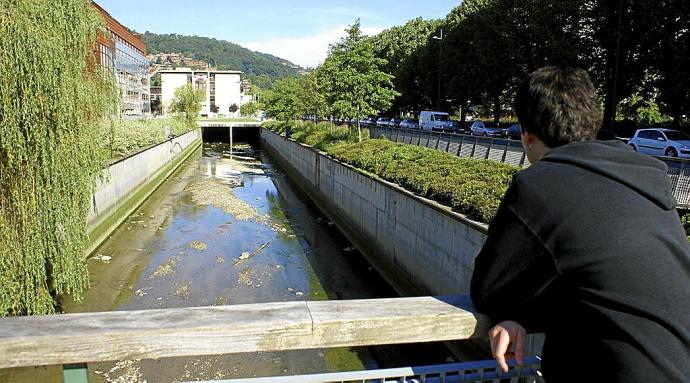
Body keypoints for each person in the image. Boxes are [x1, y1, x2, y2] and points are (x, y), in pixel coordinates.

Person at [470, 66, 690, 382]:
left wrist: (516, 315)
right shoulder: (648, 175)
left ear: (527, 135)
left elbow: (489, 288)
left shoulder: (539, 185)